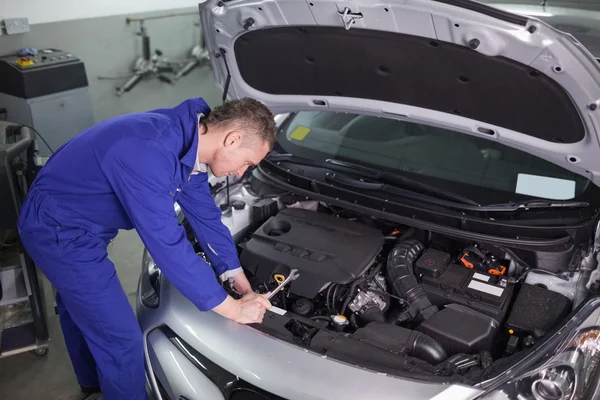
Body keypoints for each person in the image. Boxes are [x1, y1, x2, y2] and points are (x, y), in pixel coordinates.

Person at [17, 97, 276, 400]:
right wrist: (230, 308)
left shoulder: (188, 142)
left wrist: (233, 273)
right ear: (232, 139)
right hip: (57, 229)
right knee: (121, 340)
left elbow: (205, 215)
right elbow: (167, 245)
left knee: (81, 307)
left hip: (77, 218)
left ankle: (92, 384)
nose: (242, 173)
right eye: (247, 163)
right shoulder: (148, 153)